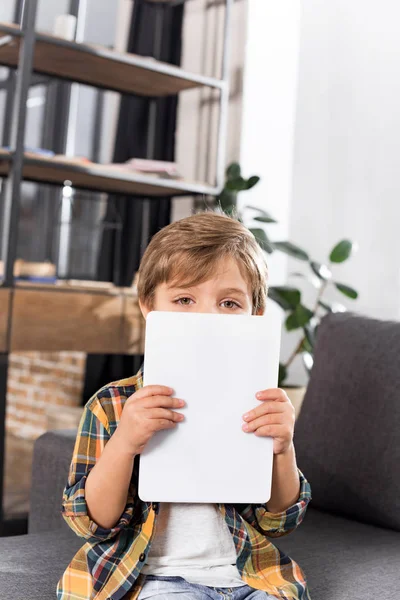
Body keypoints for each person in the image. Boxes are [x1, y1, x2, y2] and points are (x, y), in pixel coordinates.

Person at [57, 211, 312, 600]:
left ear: (254, 315)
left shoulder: (259, 401)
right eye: (184, 299)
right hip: (152, 579)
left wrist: (283, 448)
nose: (206, 317)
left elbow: (279, 519)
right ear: (148, 307)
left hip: (247, 576)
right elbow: (93, 523)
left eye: (228, 303)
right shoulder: (110, 405)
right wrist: (124, 444)